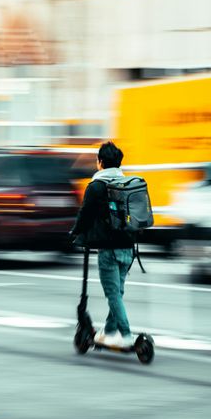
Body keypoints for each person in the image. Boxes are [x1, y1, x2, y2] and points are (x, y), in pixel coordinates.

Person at [70, 141, 136, 347]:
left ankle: (126, 336)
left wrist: (75, 232)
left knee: (113, 294)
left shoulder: (96, 186)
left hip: (109, 249)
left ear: (100, 162)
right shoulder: (128, 184)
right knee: (118, 292)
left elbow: (85, 215)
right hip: (129, 247)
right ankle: (108, 332)